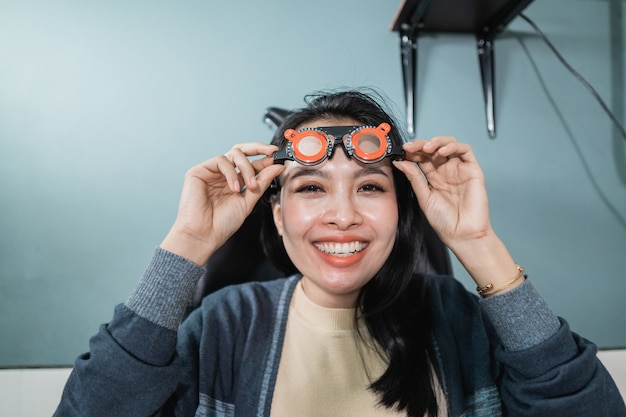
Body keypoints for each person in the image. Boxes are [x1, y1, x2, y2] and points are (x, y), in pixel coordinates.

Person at [53, 89, 625, 417]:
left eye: (370, 187)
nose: (343, 214)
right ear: (276, 213)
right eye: (310, 188)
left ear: (404, 208)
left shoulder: (455, 316)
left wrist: (479, 244)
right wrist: (188, 242)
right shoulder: (226, 324)